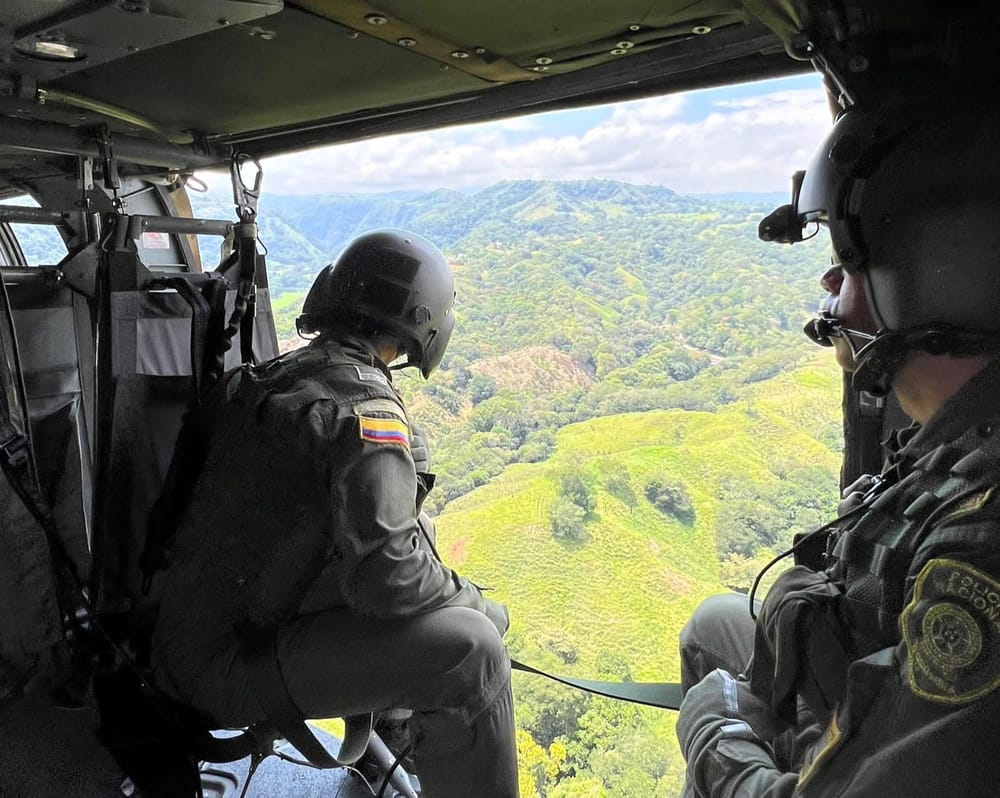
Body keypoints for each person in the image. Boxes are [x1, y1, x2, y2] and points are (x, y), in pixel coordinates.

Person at [675, 105, 1000, 796]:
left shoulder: (982, 547)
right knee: (716, 621)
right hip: (846, 671)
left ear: (927, 284)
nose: (830, 292)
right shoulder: (961, 434)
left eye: (848, 268)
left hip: (839, 745)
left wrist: (714, 734)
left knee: (710, 688)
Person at [150, 229, 518, 797]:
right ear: (423, 323)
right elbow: (392, 575)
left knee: (423, 540)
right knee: (474, 654)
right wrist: (476, 604)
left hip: (188, 631)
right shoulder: (364, 408)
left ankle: (393, 738)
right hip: (221, 664)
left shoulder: (282, 377)